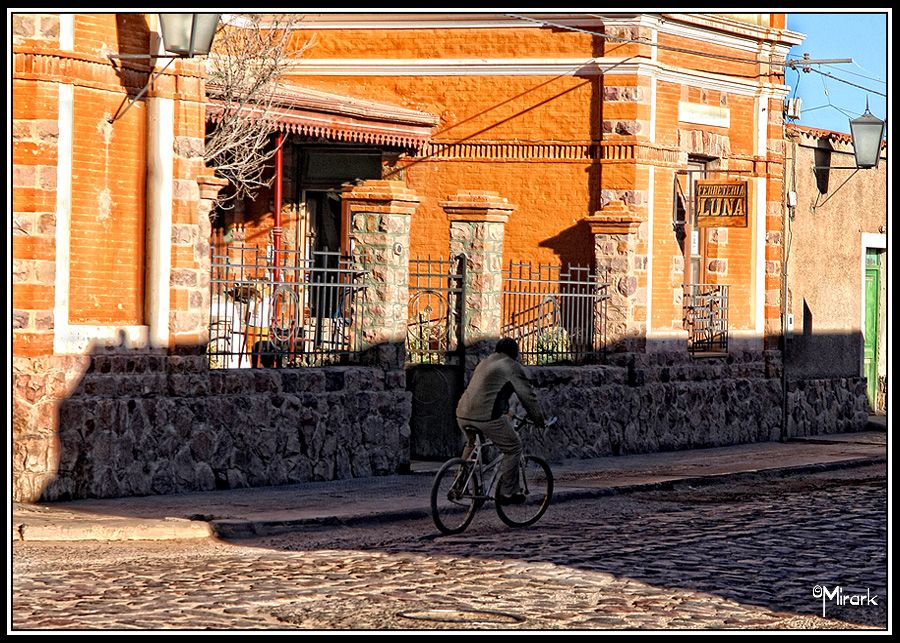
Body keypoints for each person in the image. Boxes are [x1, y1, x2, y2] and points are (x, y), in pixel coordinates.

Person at [455, 338, 546, 505]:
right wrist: (539, 420)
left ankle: (459, 484)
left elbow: (488, 390)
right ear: (515, 353)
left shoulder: (485, 362)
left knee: (472, 444)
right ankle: (508, 492)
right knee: (513, 447)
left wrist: (505, 409)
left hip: (462, 413)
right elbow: (527, 396)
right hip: (486, 416)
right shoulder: (511, 366)